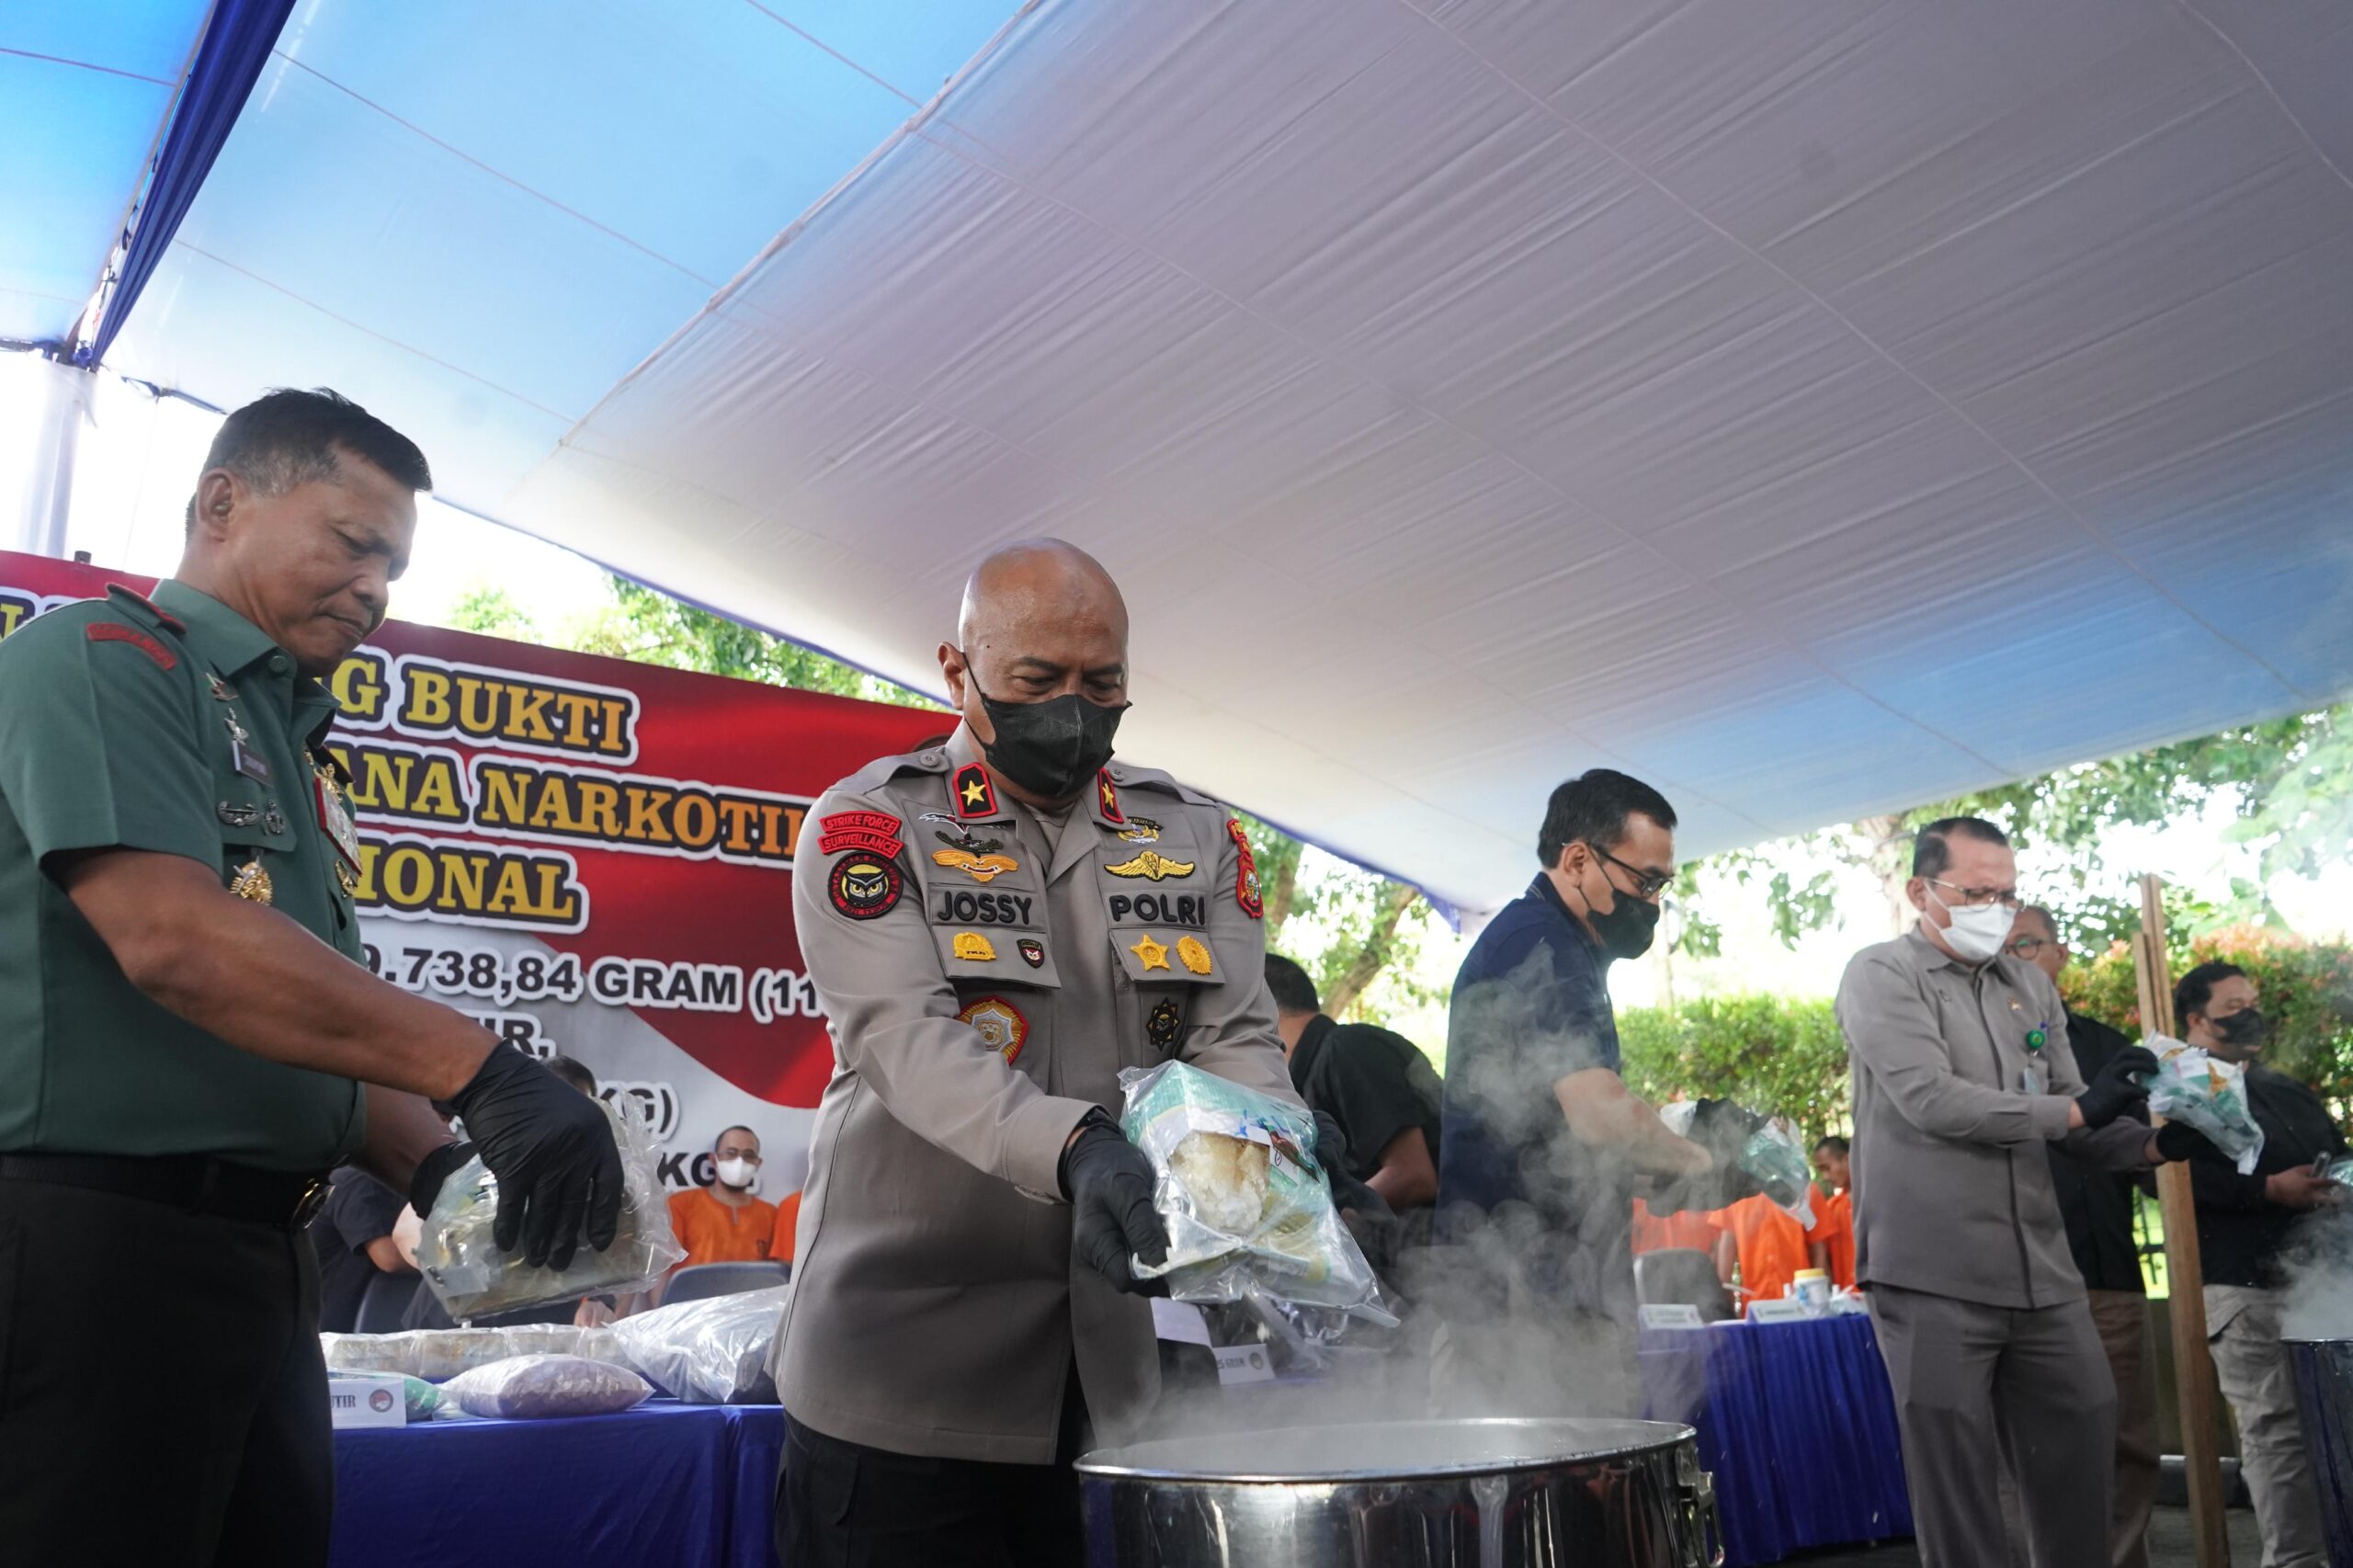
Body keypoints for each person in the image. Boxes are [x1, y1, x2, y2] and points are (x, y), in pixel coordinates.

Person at [0, 388, 622, 1566]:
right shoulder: (102, 660)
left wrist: (444, 1167)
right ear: (221, 503)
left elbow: (302, 1023)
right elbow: (178, 940)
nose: (376, 587)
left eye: (394, 566)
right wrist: (483, 1068)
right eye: (352, 543)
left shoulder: (293, 744)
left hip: (262, 1261)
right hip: (96, 1249)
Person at [771, 540, 1324, 1568]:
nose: (1072, 709)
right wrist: (1076, 1145)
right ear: (958, 670)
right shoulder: (872, 824)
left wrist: (1270, 1156)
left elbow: (1235, 1035)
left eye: (1101, 683)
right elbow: (902, 1038)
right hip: (903, 1376)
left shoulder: (1193, 835)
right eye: (1036, 679)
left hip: (1111, 1373)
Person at [1836, 816, 2196, 1568]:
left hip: (2043, 1273)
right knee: (1958, 1490)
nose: (1995, 910)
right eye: (1976, 893)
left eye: (2006, 894)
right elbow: (1933, 1100)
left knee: (2084, 1452)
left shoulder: (2028, 986)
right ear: (1920, 892)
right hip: (1931, 1274)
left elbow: (2074, 1120)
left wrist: (2157, 1145)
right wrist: (2078, 1110)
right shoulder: (1880, 975)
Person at [1434, 768, 1726, 1416]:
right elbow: (1600, 1114)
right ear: (1576, 860)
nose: (1652, 903)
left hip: (1556, 1288)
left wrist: (1658, 1172)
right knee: (1545, 1467)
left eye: (1662, 886)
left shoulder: (1559, 948)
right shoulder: (1540, 943)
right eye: (1645, 881)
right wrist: (1702, 1161)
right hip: (1518, 1298)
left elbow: (1561, 1141)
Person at [2174, 960, 2347, 1568]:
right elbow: (2165, 1178)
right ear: (2197, 1019)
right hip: (2244, 1286)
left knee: (2336, 1426)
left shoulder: (2284, 1089)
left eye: (2253, 1003)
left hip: (2322, 1283)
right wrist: (2267, 1190)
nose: (2250, 1014)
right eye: (2233, 1006)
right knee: (2277, 1432)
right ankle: (2294, 1560)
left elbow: (2337, 1156)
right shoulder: (2179, 1087)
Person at [2006, 904, 2160, 1568]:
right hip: (2017, 1281)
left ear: (2060, 955)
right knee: (2030, 1448)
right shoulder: (1966, 1047)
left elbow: (2150, 1166)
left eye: (2027, 945)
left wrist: (2181, 1134)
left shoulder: (2109, 1050)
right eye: (2003, 948)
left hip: (2106, 1276)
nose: (2014, 960)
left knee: (2127, 1443)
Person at [1264, 952, 1444, 1216]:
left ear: (1261, 1010)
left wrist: (1313, 1223)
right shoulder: (1311, 1076)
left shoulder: (1345, 1049)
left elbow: (1415, 1176)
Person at [309, 1169, 414, 1334]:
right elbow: (390, 1257)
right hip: (337, 1329)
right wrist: (450, 1262)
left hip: (344, 1321)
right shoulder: (362, 1180)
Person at [667, 1125, 779, 1271]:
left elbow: (775, 1274)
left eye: (748, 1155)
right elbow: (664, 1268)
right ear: (713, 1160)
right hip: (691, 1287)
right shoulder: (680, 1205)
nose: (740, 1161)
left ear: (758, 1163)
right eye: (731, 1153)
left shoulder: (770, 1214)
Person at [1711, 1191, 1815, 1310]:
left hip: (1801, 1303)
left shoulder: (1806, 1191)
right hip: (1756, 1305)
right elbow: (1725, 1262)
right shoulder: (1732, 1193)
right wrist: (1728, 1310)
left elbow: (1819, 1252)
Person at [1810, 1136, 1857, 1289]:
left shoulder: (1876, 1200)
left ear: (1847, 1159)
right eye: (1821, 1171)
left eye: (1827, 1168)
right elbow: (1823, 1258)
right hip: (1845, 1297)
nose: (1825, 1177)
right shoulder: (1831, 1209)